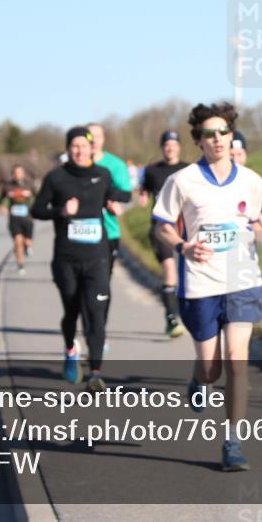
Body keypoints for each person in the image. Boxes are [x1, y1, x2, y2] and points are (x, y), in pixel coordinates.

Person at [153, 102, 262, 471]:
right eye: (209, 134)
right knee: (211, 369)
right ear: (198, 140)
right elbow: (162, 225)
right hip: (200, 284)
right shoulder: (182, 181)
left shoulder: (252, 181)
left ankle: (233, 442)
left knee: (237, 361)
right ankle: (200, 380)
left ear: (231, 135)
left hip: (243, 281)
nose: (217, 139)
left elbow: (253, 227)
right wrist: (183, 247)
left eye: (223, 132)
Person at [31, 127, 131, 392]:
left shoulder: (102, 174)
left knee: (96, 313)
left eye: (84, 146)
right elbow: (37, 210)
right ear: (68, 149)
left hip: (97, 257)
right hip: (66, 258)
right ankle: (70, 349)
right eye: (74, 146)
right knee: (71, 311)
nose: (79, 151)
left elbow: (120, 194)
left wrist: (114, 204)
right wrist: (62, 211)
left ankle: (95, 373)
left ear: (91, 148)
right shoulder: (56, 177)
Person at [138, 130, 189, 338]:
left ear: (179, 147)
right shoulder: (152, 171)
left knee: (185, 275)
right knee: (170, 270)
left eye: (174, 144)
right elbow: (144, 191)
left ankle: (187, 313)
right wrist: (142, 197)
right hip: (161, 229)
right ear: (162, 148)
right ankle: (171, 319)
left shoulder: (188, 170)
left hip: (185, 229)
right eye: (167, 145)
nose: (170, 148)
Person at [87, 123, 133, 331]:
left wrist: (109, 199)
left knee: (101, 284)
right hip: (80, 235)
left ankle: (99, 329)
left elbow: (126, 194)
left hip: (108, 233)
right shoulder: (76, 164)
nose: (94, 140)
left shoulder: (115, 165)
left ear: (103, 139)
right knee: (82, 285)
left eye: (98, 136)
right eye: (90, 136)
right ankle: (88, 324)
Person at [229, 130, 262, 229]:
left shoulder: (254, 180)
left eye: (239, 154)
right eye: (231, 155)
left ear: (245, 154)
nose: (235, 160)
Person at [0, 164, 35, 275]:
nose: (18, 174)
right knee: (18, 242)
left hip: (27, 218)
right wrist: (2, 207)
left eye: (20, 172)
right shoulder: (8, 186)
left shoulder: (29, 185)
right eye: (16, 173)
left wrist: (36, 209)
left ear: (23, 173)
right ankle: (20, 265)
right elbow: (0, 200)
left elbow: (40, 197)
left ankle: (28, 246)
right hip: (14, 219)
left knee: (27, 242)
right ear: (13, 174)